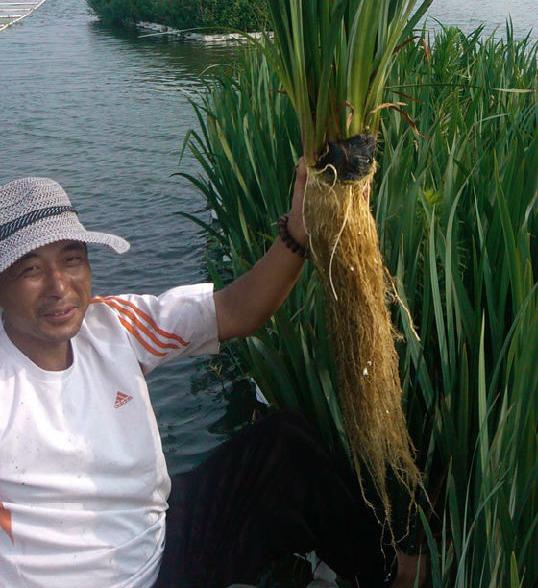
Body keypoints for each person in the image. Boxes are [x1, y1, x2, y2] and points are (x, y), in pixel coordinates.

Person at [0, 166, 426, 588]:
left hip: (160, 543)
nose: (59, 286)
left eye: (71, 260)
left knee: (283, 447)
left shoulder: (114, 326)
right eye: (31, 270)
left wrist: (298, 233)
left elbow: (236, 311)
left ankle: (393, 572)